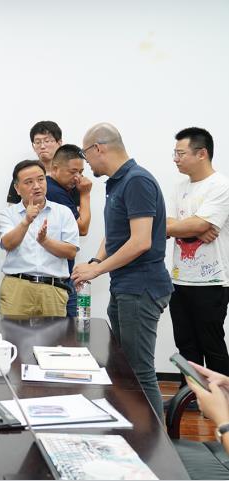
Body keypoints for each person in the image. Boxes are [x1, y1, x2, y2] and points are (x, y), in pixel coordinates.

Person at [72, 122, 173, 418]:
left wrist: (97, 271)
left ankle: (156, 441)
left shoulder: (137, 181)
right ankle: (134, 430)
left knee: (139, 372)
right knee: (124, 368)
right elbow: (116, 234)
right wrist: (95, 261)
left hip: (141, 287)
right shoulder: (117, 183)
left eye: (85, 154)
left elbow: (140, 242)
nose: (86, 163)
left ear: (98, 148)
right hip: (125, 287)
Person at [166, 127, 229, 378]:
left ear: (201, 153)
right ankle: (190, 394)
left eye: (180, 153)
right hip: (179, 279)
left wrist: (194, 226)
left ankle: (221, 396)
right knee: (186, 346)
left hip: (212, 281)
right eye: (174, 153)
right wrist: (193, 229)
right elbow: (165, 225)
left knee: (211, 345)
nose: (175, 159)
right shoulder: (178, 187)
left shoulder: (220, 185)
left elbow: (199, 224)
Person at [0, 160, 79, 317]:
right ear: (17, 188)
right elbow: (8, 244)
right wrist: (26, 221)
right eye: (29, 182)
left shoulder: (63, 212)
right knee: (11, 332)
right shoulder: (8, 214)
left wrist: (45, 241)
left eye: (41, 179)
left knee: (55, 333)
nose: (36, 186)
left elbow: (71, 252)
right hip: (17, 287)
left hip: (53, 289)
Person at [46, 144, 93, 317]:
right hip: (56, 278)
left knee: (74, 326)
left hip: (63, 274)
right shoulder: (54, 191)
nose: (78, 177)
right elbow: (82, 228)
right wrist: (85, 194)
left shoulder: (63, 189)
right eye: (73, 172)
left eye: (81, 172)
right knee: (69, 328)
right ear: (55, 168)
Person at [6, 121, 71, 204]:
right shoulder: (23, 174)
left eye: (47, 141)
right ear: (33, 146)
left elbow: (79, 208)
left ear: (59, 143)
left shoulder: (71, 174)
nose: (42, 146)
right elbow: (12, 207)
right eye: (37, 142)